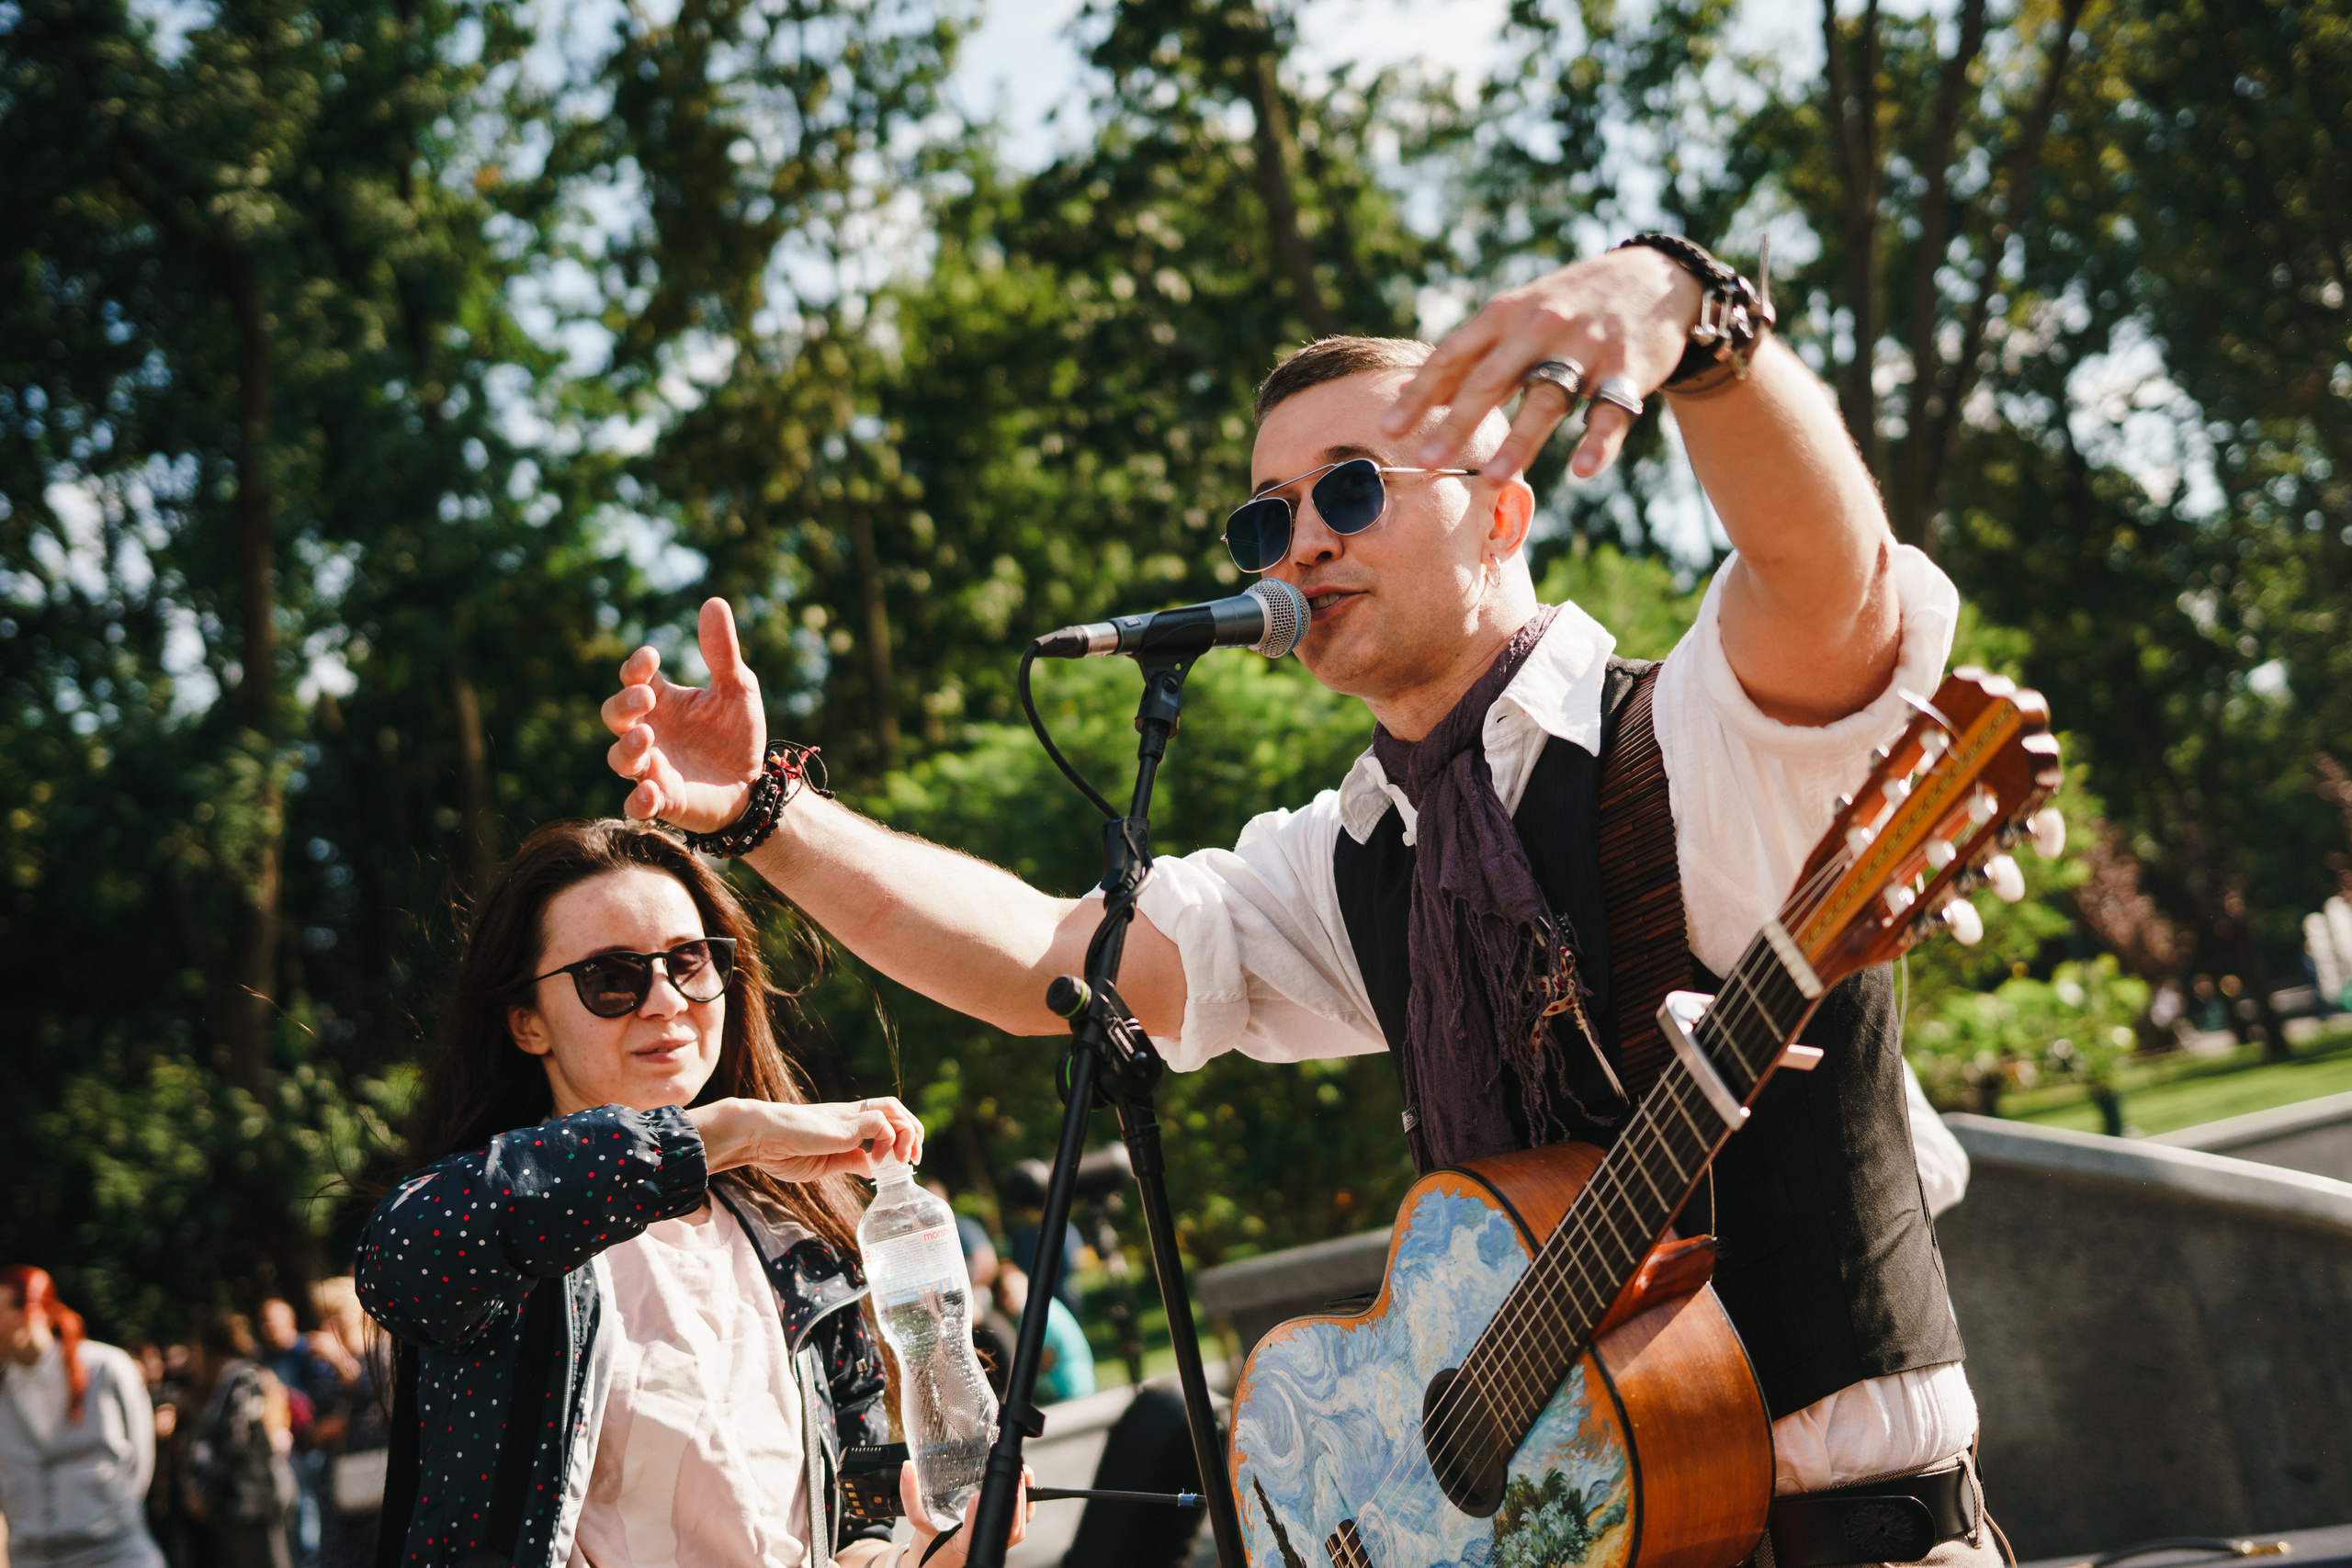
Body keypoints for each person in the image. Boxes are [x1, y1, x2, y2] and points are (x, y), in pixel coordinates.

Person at [599, 237, 1997, 1563]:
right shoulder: (1357, 855)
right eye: (1270, 515)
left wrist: (1698, 323)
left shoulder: (1681, 740)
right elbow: (1044, 952)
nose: (1300, 543)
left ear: (1505, 506)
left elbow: (1833, 598)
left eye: (1350, 487)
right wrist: (768, 817)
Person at [351, 818, 1032, 1568]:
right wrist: (718, 1132)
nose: (666, 999)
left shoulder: (793, 1238)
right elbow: (400, 1256)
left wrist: (926, 1558)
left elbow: (848, 1527)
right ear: (526, 1022)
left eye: (690, 960)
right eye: (611, 977)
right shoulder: (507, 1226)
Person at [0, 1267, 165, 1568]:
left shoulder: (108, 1368)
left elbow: (140, 1464)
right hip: (34, 1559)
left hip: (116, 1554)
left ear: (31, 1313)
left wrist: (108, 1515)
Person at [181, 1314, 295, 1568]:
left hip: (254, 1499)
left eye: (194, 1346)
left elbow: (234, 1441)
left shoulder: (242, 1377)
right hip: (235, 1502)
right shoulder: (223, 1381)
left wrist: (205, 1492)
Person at [296, 1281, 385, 1568]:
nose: (326, 1324)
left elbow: (368, 1387)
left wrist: (337, 1358)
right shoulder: (326, 1365)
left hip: (372, 1473)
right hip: (341, 1479)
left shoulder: (378, 1353)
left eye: (332, 1315)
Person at [253, 1303, 328, 1568]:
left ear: (291, 1321)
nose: (269, 1328)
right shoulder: (260, 1361)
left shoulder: (310, 1351)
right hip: (283, 1451)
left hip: (316, 1444)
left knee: (314, 1510)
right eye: (264, 1322)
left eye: (274, 1321)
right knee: (296, 1515)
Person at [987, 1268, 1093, 1406]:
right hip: (1075, 1386)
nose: (1008, 1301)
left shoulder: (1032, 1313)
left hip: (1071, 1391)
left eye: (1009, 1293)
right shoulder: (1040, 1304)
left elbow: (1045, 1360)